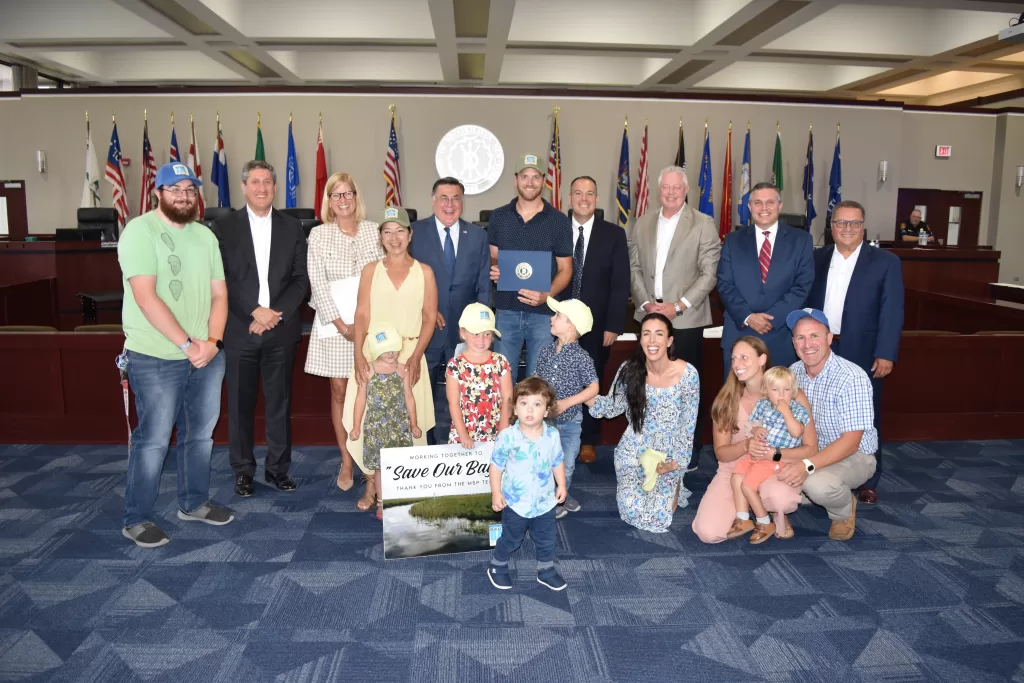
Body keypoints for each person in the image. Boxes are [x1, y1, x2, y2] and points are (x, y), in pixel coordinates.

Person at [117, 162, 234, 548]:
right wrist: (187, 345)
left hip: (205, 355)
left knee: (200, 435)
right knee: (153, 440)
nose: (184, 196)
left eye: (190, 190)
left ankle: (194, 503)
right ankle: (137, 519)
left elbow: (220, 294)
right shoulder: (139, 231)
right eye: (175, 189)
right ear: (158, 192)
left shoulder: (205, 236)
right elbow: (145, 297)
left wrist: (212, 343)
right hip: (155, 356)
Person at [211, 160, 308, 498]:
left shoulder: (293, 227)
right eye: (255, 182)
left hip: (280, 330)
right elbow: (221, 279)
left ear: (275, 187)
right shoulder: (223, 228)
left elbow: (300, 280)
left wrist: (273, 314)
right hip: (240, 329)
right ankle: (243, 471)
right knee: (240, 406)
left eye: (268, 182)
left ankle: (278, 469)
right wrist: (254, 310)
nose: (262, 188)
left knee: (279, 404)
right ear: (243, 186)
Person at [807, 200, 903, 504]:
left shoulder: (886, 262)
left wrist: (886, 352)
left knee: (865, 414)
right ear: (831, 227)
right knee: (817, 410)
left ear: (863, 227)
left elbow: (892, 311)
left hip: (863, 349)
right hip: (820, 347)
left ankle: (868, 479)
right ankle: (819, 468)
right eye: (840, 223)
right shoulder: (816, 258)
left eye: (854, 223)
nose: (847, 228)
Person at [627, 165, 720, 471]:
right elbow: (635, 267)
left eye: (676, 188)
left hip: (686, 321)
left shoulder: (703, 223)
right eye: (665, 187)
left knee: (687, 390)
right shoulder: (642, 222)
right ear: (658, 190)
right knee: (648, 385)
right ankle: (650, 445)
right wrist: (646, 303)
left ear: (685, 190)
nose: (670, 192)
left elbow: (709, 273)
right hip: (649, 319)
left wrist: (677, 306)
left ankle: (687, 451)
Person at [348, 206, 437, 512]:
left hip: (410, 355)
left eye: (400, 231)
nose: (394, 237)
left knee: (410, 423)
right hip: (372, 357)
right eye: (388, 231)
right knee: (369, 421)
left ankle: (405, 487)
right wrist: (359, 354)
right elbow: (361, 314)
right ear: (380, 237)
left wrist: (415, 359)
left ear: (410, 235)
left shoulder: (424, 272)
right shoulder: (371, 271)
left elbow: (428, 319)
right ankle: (373, 484)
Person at [692, 337, 817, 544]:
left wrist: (775, 454)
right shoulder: (727, 399)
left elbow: (811, 448)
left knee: (780, 499)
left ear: (762, 359)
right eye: (733, 358)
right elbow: (721, 453)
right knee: (708, 533)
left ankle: (774, 511)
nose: (737, 364)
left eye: (744, 357)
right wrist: (746, 445)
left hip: (775, 466)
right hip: (735, 469)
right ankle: (746, 514)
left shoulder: (790, 395)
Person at [304, 172, 383, 496]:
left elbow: (383, 276)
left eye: (348, 193)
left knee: (369, 392)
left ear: (356, 197)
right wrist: (341, 324)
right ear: (329, 201)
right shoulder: (319, 235)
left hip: (371, 325)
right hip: (335, 327)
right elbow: (318, 284)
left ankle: (371, 465)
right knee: (339, 392)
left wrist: (364, 325)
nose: (343, 200)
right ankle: (347, 460)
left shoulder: (373, 231)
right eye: (336, 195)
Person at [586, 313, 700, 533]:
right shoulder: (630, 369)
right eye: (646, 334)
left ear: (669, 341)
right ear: (640, 339)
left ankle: (676, 482)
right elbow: (611, 407)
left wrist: (676, 465)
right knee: (630, 508)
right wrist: (581, 394)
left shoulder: (688, 374)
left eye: (659, 334)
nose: (652, 341)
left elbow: (687, 427)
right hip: (634, 448)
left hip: (667, 454)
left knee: (657, 515)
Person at [409, 177, 492, 444]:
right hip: (426, 326)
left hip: (465, 330)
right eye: (443, 198)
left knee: (468, 391)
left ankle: (466, 446)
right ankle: (427, 445)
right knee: (425, 390)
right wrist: (426, 310)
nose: (449, 204)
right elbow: (406, 278)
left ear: (463, 202)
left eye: (456, 198)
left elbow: (483, 284)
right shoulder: (413, 232)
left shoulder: (477, 235)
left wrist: (478, 327)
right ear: (433, 201)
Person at [785, 308, 878, 541]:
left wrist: (805, 465)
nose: (808, 344)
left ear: (829, 338)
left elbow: (850, 443)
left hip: (854, 455)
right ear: (793, 342)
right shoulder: (792, 373)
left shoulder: (851, 377)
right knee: (768, 472)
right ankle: (810, 489)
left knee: (817, 485)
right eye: (800, 337)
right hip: (810, 450)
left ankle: (843, 510)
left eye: (815, 336)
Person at [487, 154, 573, 378]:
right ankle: (506, 416)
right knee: (502, 378)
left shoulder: (558, 220)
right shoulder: (498, 217)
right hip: (506, 311)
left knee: (539, 380)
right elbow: (493, 256)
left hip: (543, 315)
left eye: (536, 177)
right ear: (515, 180)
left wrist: (547, 295)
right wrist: (494, 267)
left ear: (544, 181)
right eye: (525, 176)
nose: (530, 182)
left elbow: (566, 269)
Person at [565, 176, 630, 465]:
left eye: (589, 193)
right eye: (578, 193)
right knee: (558, 380)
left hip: (596, 324)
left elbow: (620, 284)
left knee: (591, 382)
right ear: (569, 198)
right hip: (558, 321)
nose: (584, 198)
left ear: (597, 199)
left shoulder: (614, 234)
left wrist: (614, 324)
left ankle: (587, 440)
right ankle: (558, 436)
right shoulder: (555, 230)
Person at [717, 182, 814, 373]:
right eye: (758, 203)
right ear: (749, 207)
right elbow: (724, 284)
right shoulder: (732, 240)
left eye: (770, 202)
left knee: (778, 399)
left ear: (780, 205)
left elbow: (802, 285)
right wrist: (748, 316)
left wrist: (773, 319)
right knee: (737, 399)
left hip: (780, 334)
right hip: (740, 332)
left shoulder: (801, 240)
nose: (764, 208)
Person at [487, 377, 567, 592]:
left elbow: (557, 461)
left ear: (547, 410)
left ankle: (546, 569)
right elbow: (496, 467)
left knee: (547, 538)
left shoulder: (553, 435)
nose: (530, 410)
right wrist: (496, 492)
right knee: (511, 538)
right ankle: (498, 565)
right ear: (515, 407)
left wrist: (562, 485)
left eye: (537, 404)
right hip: (516, 502)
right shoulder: (507, 437)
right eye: (524, 404)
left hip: (544, 501)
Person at [729, 366, 810, 543]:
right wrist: (756, 430)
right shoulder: (762, 405)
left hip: (773, 460)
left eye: (786, 390)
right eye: (775, 390)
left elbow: (797, 432)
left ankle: (764, 521)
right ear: (766, 391)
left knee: (747, 487)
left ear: (793, 391)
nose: (781, 395)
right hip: (755, 454)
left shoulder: (797, 410)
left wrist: (787, 413)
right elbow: (751, 425)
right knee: (736, 478)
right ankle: (743, 518)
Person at [349, 324, 421, 521]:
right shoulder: (368, 370)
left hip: (399, 427)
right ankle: (381, 501)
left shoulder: (402, 370)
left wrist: (413, 423)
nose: (391, 353)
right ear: (376, 350)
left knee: (400, 465)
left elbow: (409, 398)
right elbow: (360, 399)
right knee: (380, 468)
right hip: (376, 429)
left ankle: (399, 501)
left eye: (394, 348)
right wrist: (356, 426)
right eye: (385, 349)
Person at [535, 297, 599, 519]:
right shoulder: (546, 351)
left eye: (558, 316)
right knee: (542, 462)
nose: (551, 318)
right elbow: (537, 380)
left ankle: (560, 495)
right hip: (543, 423)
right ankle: (547, 496)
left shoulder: (582, 357)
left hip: (570, 423)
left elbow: (593, 388)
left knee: (567, 464)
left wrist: (568, 402)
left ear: (571, 326)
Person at [446, 303, 513, 446]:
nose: (481, 340)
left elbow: (507, 399)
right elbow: (453, 403)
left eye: (487, 334)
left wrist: (503, 431)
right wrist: (463, 435)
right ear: (463, 333)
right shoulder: (455, 365)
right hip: (463, 434)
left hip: (495, 432)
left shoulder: (501, 362)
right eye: (476, 334)